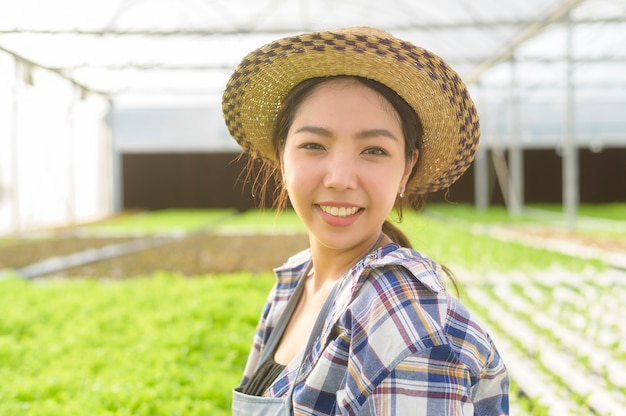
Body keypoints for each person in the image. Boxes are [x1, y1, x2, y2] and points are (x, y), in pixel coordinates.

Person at [222, 26, 509, 415]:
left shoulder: (405, 325)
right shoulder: (295, 281)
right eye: (313, 145)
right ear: (282, 155)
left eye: (373, 150)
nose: (340, 177)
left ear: (407, 168)